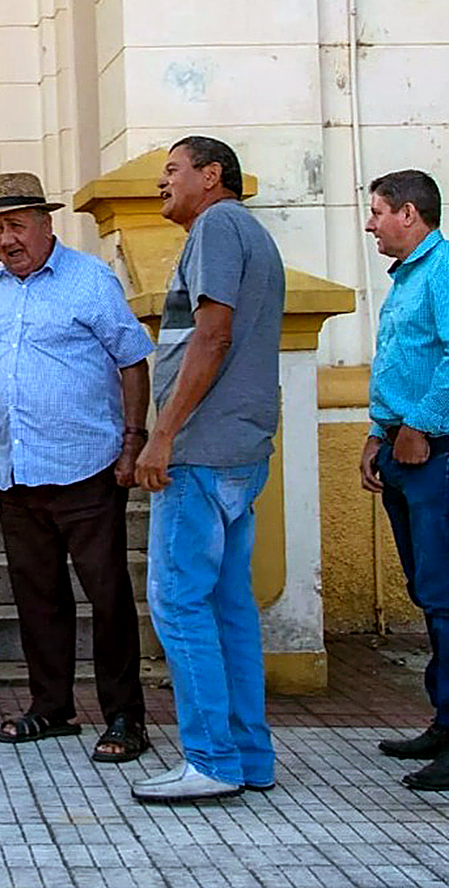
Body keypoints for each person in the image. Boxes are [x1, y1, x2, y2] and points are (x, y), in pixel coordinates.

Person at [0, 172, 154, 762]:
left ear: (47, 225)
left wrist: (131, 443)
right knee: (37, 598)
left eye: (17, 225)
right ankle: (52, 708)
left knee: (108, 595)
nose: (7, 239)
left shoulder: (90, 280)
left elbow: (133, 362)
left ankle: (125, 718)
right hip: (18, 470)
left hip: (87, 467)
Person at [132, 136, 284, 803]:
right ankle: (249, 757)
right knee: (227, 604)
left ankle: (212, 761)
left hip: (199, 452)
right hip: (239, 450)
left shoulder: (218, 226)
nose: (162, 183)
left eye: (172, 171)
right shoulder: (247, 231)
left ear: (211, 175)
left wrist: (161, 434)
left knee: (179, 601)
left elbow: (213, 335)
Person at [359, 169, 449, 791]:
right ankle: (444, 721)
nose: (370, 223)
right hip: (401, 448)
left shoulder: (441, 270)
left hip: (435, 452)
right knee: (429, 591)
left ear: (409, 214)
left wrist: (419, 423)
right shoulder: (406, 277)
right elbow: (402, 358)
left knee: (446, 596)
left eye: (377, 211)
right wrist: (378, 429)